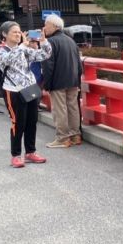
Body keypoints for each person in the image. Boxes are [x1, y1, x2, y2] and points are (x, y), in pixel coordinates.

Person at [0, 21, 52, 168]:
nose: (18, 34)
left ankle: (30, 152)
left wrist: (44, 41)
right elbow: (9, 59)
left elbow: (44, 55)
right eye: (14, 32)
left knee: (32, 121)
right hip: (13, 91)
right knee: (18, 123)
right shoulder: (1, 51)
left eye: (19, 31)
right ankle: (15, 155)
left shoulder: (25, 49)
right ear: (4, 34)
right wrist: (22, 46)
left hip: (30, 88)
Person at [42, 14, 83, 148]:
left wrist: (46, 83)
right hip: (72, 80)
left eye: (46, 25)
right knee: (72, 107)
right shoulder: (71, 41)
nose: (44, 27)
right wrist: (78, 81)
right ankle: (75, 135)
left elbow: (48, 65)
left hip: (58, 80)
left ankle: (62, 138)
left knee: (59, 109)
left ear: (54, 26)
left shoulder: (51, 42)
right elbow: (79, 64)